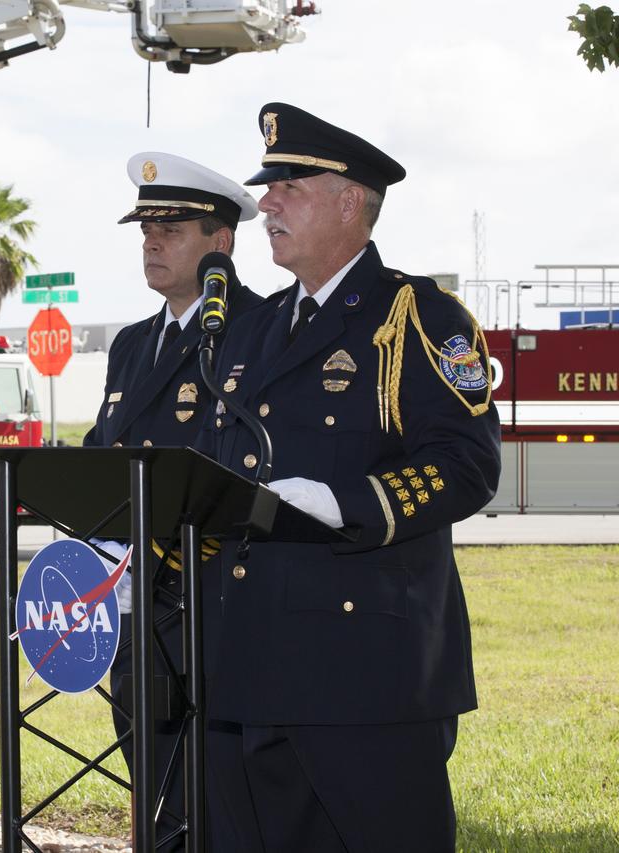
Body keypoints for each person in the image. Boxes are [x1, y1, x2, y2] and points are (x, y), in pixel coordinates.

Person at [197, 103, 500, 852]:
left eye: (288, 185)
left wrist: (344, 502)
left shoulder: (415, 315)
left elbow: (469, 462)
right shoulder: (260, 326)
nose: (265, 201)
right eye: (268, 186)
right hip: (249, 664)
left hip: (366, 677)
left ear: (349, 200)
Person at [84, 151, 262, 851]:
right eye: (146, 229)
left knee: (217, 784)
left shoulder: (261, 328)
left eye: (174, 228)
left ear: (220, 241)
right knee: (152, 772)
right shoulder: (132, 344)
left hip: (216, 596)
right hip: (135, 603)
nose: (152, 242)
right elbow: (105, 453)